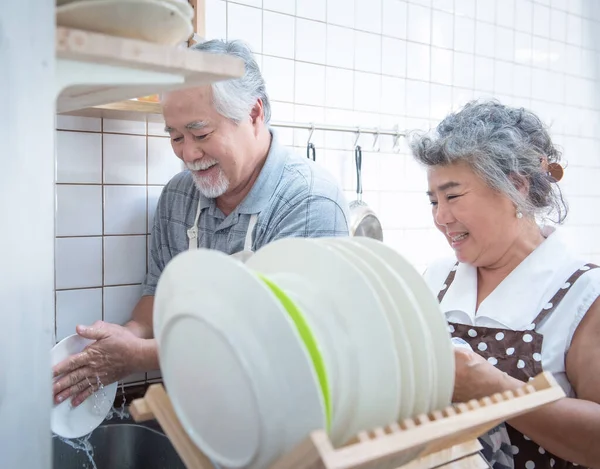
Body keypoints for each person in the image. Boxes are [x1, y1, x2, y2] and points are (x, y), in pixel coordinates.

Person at [52, 39, 350, 407]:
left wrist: (138, 356)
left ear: (254, 114)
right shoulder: (179, 195)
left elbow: (278, 338)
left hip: (284, 420)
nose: (188, 154)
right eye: (176, 137)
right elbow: (158, 291)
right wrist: (125, 337)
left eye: (201, 133)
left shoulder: (308, 200)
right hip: (199, 411)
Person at [410, 100, 600, 469]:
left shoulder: (581, 294)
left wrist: (493, 389)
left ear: (515, 187)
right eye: (433, 200)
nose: (440, 217)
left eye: (452, 196)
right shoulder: (437, 278)